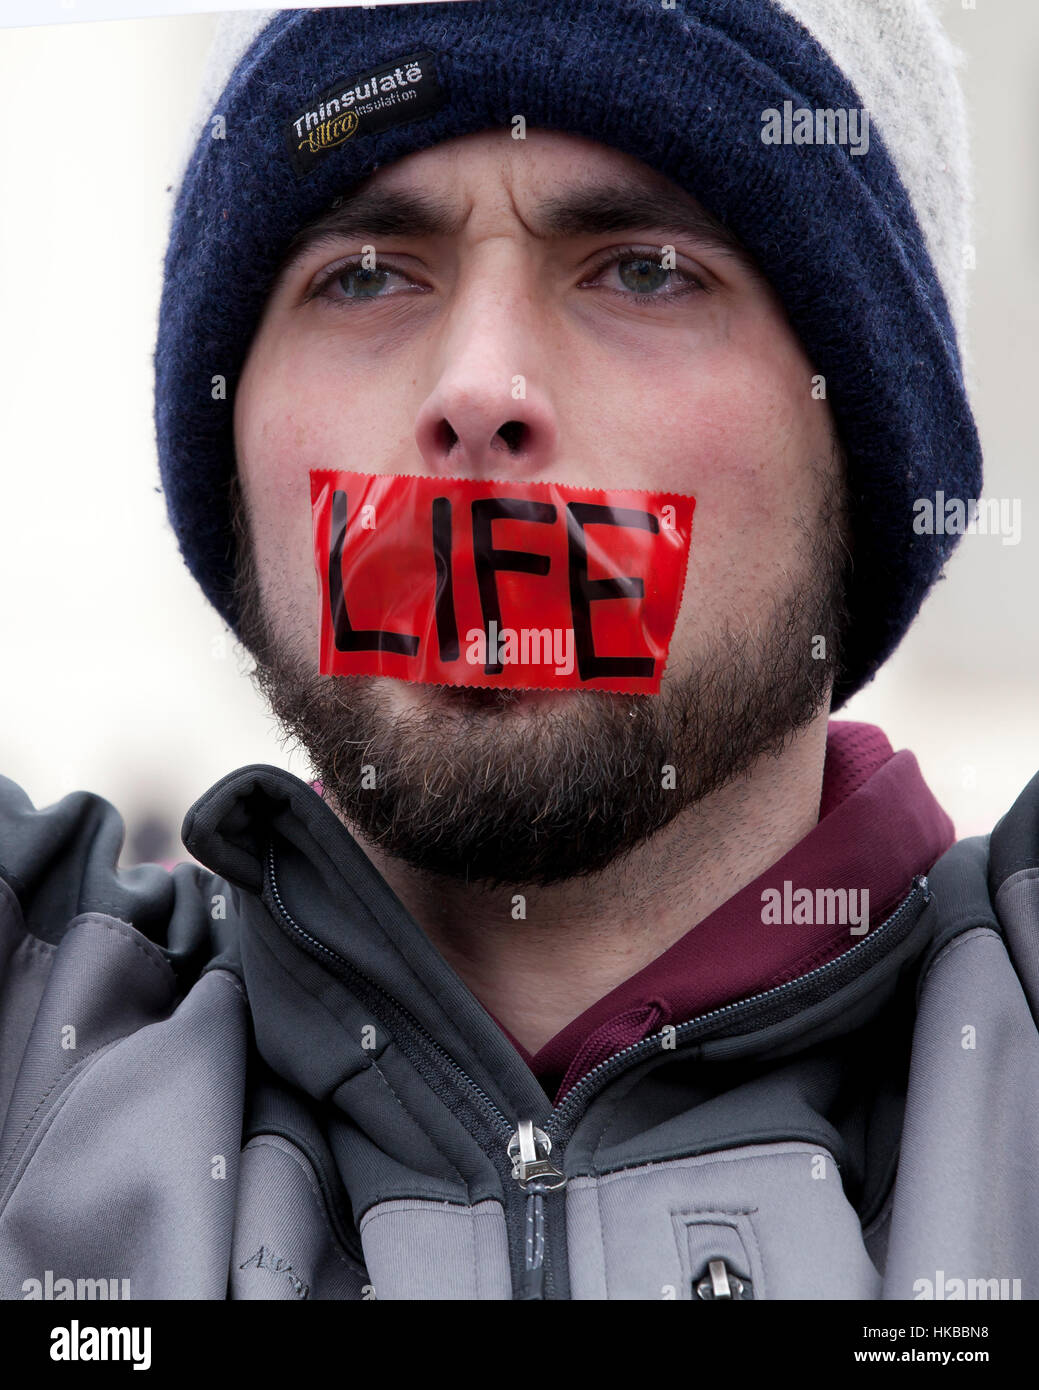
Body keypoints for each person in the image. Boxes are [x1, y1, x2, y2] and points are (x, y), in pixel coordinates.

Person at [2, 0, 1036, 1303]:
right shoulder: (35, 1031)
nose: (480, 386)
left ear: (865, 450)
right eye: (365, 273)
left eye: (646, 268)